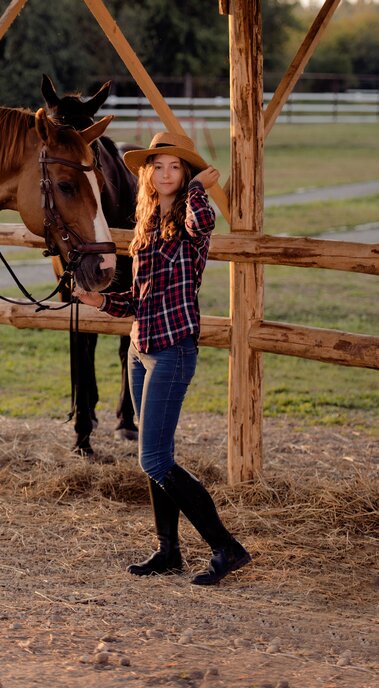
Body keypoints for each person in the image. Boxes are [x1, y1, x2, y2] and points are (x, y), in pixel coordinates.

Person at [75, 130, 251, 587]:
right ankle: (168, 551)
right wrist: (99, 302)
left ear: (186, 173)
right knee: (156, 456)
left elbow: (203, 225)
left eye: (176, 166)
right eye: (159, 166)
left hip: (173, 350)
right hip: (140, 348)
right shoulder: (148, 219)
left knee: (153, 460)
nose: (166, 173)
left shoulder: (195, 217)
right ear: (148, 174)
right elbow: (139, 297)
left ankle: (225, 547)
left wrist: (200, 188)